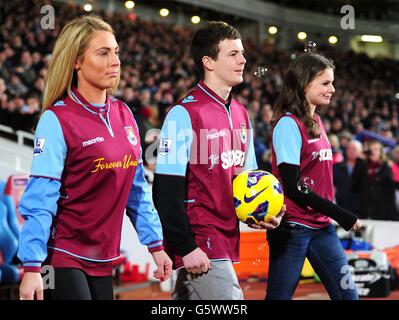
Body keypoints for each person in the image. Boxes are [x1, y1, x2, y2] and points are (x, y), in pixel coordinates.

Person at [17, 16, 172, 300]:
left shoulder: (125, 114)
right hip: (63, 256)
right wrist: (31, 266)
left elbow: (136, 191)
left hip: (103, 258)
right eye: (103, 53)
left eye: (116, 52)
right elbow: (41, 199)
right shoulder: (56, 120)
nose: (115, 61)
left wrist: (156, 245)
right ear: (76, 61)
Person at [152, 21, 284, 300]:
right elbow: (165, 190)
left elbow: (246, 181)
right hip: (201, 238)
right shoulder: (183, 114)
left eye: (243, 53)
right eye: (233, 54)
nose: (243, 60)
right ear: (208, 62)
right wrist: (186, 246)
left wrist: (263, 212)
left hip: (226, 236)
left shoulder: (241, 114)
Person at [267, 53, 361, 300]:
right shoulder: (288, 124)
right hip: (293, 227)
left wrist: (331, 215)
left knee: (349, 297)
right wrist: (341, 214)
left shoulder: (316, 119)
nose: (332, 89)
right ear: (304, 84)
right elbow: (293, 186)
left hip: (322, 227)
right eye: (325, 83)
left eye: (332, 82)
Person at [362, 140, 398, 220]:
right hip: (367, 209)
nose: (373, 152)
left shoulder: (388, 166)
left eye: (375, 149)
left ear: (381, 151)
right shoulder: (364, 166)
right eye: (370, 150)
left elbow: (392, 189)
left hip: (384, 210)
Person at [333, 139, 368, 219]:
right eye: (349, 148)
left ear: (361, 151)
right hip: (341, 209)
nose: (351, 151)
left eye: (354, 149)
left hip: (361, 210)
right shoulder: (336, 167)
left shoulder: (366, 167)